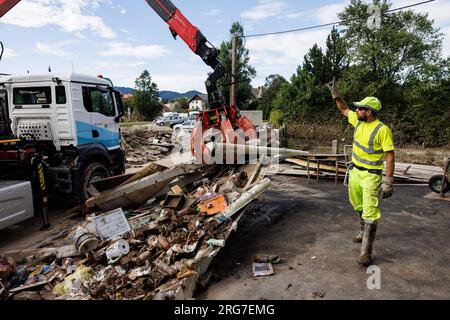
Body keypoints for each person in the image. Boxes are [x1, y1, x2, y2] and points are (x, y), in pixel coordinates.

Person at [326, 79, 395, 267]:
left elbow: (389, 155)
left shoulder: (382, 130)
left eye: (360, 108)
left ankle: (366, 252)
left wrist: (388, 180)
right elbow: (343, 109)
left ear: (369, 112)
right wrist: (336, 95)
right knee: (357, 205)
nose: (356, 110)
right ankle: (362, 229)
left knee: (370, 211)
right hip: (355, 172)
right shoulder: (358, 121)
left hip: (371, 176)